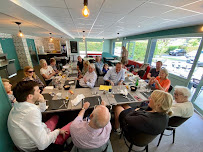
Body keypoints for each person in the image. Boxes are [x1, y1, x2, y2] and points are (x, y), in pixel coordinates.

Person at [7, 81, 71, 151]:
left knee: (56, 116)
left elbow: (40, 109)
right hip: (36, 148)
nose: (40, 91)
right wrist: (57, 131)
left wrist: (42, 101)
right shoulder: (31, 112)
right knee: (72, 124)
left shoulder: (19, 105)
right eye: (37, 91)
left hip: (34, 137)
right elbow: (43, 144)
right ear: (30, 96)